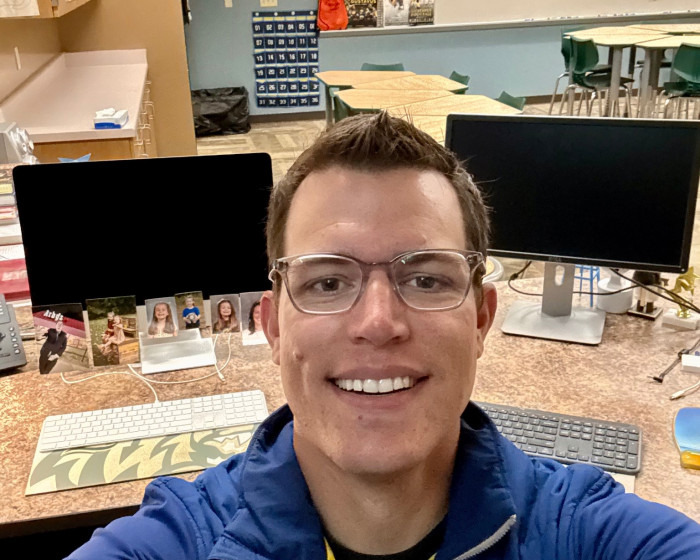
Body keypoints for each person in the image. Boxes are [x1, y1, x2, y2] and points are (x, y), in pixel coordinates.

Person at [67, 113, 700, 559]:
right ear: (273, 325)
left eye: (425, 279)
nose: (377, 323)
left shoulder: (585, 533)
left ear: (481, 319)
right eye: (326, 282)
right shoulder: (179, 543)